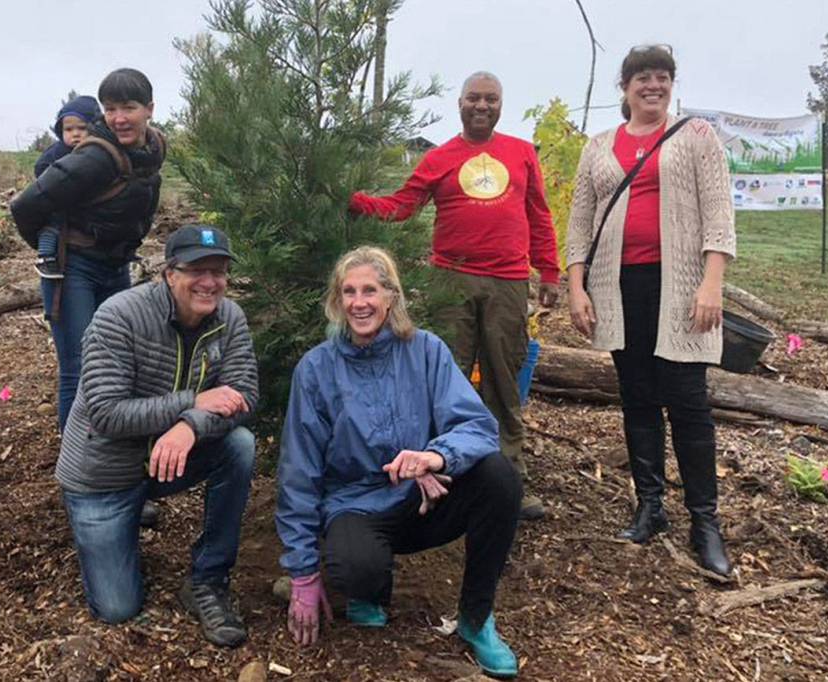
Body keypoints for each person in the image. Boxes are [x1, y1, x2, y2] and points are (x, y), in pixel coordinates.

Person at [276, 246, 524, 678]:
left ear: (391, 297)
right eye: (348, 292)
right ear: (337, 302)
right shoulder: (316, 370)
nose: (359, 303)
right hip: (356, 506)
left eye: (370, 290)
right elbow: (299, 472)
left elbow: (478, 428)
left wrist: (436, 455)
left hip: (423, 497)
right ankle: (368, 590)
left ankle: (476, 617)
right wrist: (301, 575)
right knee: (355, 566)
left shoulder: (425, 350)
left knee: (499, 477)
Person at [348, 71, 560, 521]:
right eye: (473, 99)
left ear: (500, 105)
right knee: (449, 380)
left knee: (504, 379)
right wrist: (357, 201)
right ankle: (447, 472)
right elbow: (403, 206)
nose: (481, 106)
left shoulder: (521, 154)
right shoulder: (440, 158)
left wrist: (550, 271)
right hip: (452, 281)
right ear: (459, 103)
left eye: (490, 99)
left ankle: (508, 477)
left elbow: (539, 214)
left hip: (507, 282)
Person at [566, 45, 736, 576]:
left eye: (662, 77)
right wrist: (577, 286)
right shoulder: (597, 146)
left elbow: (719, 215)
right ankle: (650, 506)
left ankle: (704, 521)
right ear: (626, 86)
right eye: (643, 77)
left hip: (681, 287)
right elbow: (579, 222)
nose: (653, 86)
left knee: (687, 401)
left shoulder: (697, 138)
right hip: (619, 287)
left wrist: (712, 283)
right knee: (637, 397)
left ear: (671, 85)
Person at [54, 224, 258, 647]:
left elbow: (245, 397)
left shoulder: (230, 318)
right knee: (117, 608)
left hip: (168, 458)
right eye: (196, 270)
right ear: (169, 273)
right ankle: (114, 524)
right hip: (103, 473)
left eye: (219, 271)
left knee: (239, 446)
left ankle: (207, 579)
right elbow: (105, 413)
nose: (210, 282)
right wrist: (194, 402)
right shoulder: (119, 315)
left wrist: (189, 426)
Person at [11, 68, 166, 436]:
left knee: (119, 360)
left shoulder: (154, 147)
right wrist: (54, 247)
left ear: (150, 110)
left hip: (116, 266)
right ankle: (75, 462)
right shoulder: (94, 158)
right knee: (79, 367)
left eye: (128, 108)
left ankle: (109, 445)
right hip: (74, 270)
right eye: (110, 109)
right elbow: (25, 206)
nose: (119, 118)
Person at [32, 95, 102, 279]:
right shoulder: (59, 151)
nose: (75, 134)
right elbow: (40, 168)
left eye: (82, 128)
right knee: (53, 223)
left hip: (86, 202)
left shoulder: (99, 151)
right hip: (58, 195)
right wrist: (55, 185)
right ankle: (46, 257)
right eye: (69, 129)